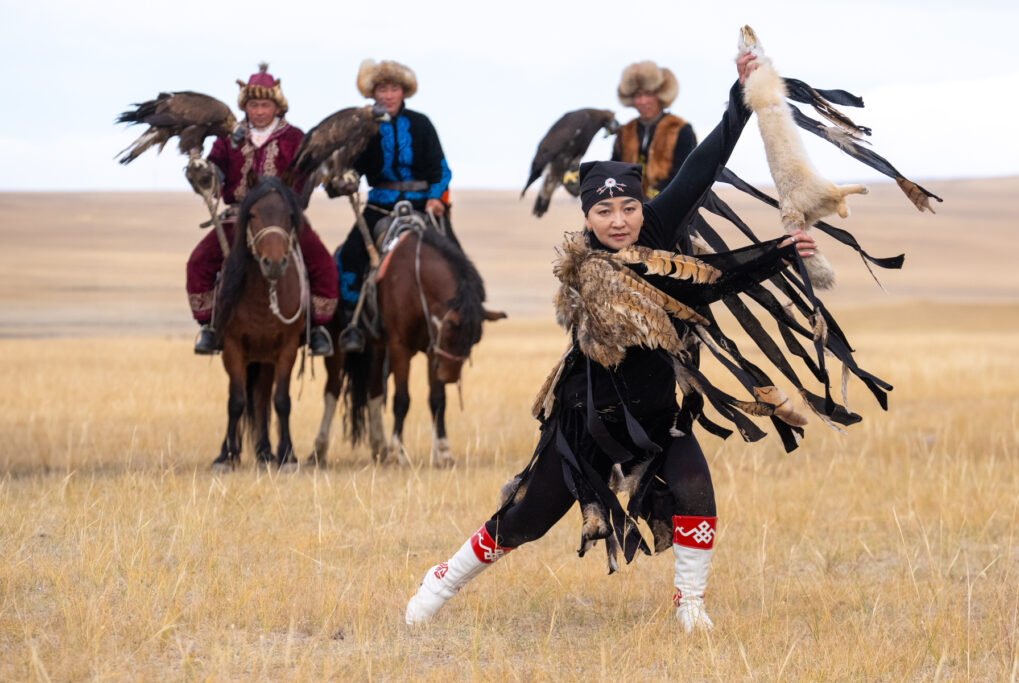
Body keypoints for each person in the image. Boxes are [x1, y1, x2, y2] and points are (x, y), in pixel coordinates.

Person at [404, 52, 823, 631]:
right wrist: (765, 259)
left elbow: (702, 175)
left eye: (628, 206)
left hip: (657, 415)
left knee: (696, 494)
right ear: (588, 217)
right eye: (605, 211)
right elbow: (690, 293)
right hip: (588, 419)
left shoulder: (657, 233)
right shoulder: (587, 270)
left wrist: (741, 93)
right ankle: (441, 581)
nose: (620, 219)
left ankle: (690, 605)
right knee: (525, 519)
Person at [186, 63, 337, 356]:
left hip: (283, 218)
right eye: (253, 105)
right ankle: (208, 326)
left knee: (323, 263)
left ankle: (318, 328)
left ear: (277, 107)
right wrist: (203, 173)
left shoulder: (295, 137)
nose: (258, 111)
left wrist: (324, 175)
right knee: (198, 263)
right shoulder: (228, 136)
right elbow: (215, 170)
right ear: (245, 107)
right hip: (237, 217)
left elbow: (307, 173)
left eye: (264, 105)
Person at [336, 58, 453, 352]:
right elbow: (351, 167)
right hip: (379, 207)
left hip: (423, 206)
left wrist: (437, 198)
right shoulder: (363, 127)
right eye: (382, 89)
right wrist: (347, 178)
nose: (388, 95)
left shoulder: (422, 124)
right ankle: (352, 322)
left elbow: (441, 168)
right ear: (373, 93)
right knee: (348, 257)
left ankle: (461, 317)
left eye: (394, 89)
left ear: (404, 92)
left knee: (457, 260)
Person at [612, 60, 697, 200]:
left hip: (671, 205)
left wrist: (656, 196)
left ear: (660, 95)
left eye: (648, 94)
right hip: (630, 208)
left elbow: (687, 173)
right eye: (638, 95)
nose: (643, 101)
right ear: (631, 99)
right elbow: (614, 169)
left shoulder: (680, 129)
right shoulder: (625, 131)